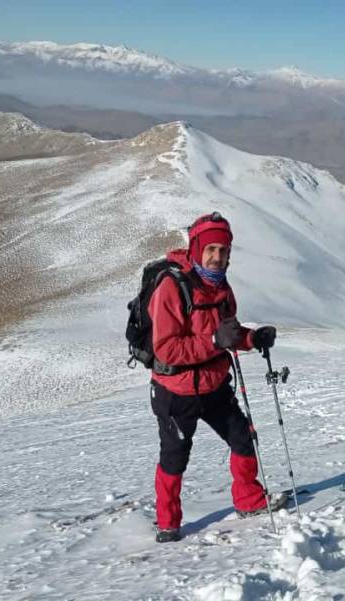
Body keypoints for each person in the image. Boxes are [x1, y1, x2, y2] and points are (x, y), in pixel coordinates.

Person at [148, 212, 281, 543]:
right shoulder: (171, 287)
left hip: (214, 385)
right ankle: (168, 522)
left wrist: (251, 339)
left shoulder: (222, 289)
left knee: (243, 437)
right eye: (211, 250)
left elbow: (229, 333)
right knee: (175, 456)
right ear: (196, 248)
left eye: (223, 250)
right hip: (175, 391)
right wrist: (212, 342)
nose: (217, 257)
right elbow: (166, 349)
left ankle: (250, 501)